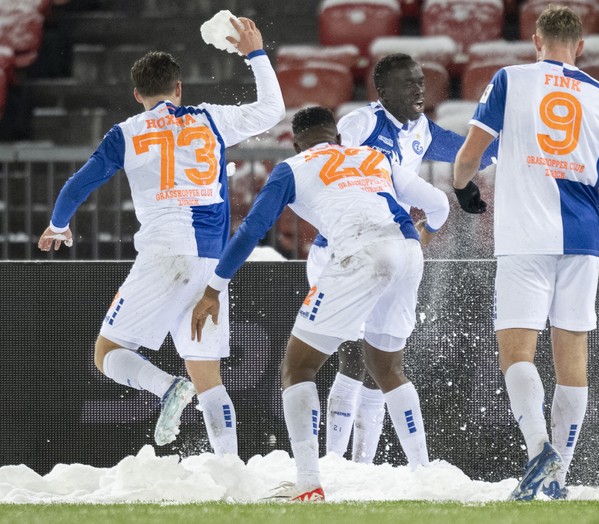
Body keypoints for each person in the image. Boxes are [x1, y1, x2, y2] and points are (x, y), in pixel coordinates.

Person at [37, 17, 285, 455]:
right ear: (179, 88)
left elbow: (77, 185)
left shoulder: (127, 133)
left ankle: (166, 386)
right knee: (207, 374)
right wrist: (255, 55)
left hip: (164, 253)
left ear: (137, 95)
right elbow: (272, 111)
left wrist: (59, 224)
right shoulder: (211, 119)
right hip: (210, 262)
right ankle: (229, 467)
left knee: (107, 352)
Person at [191, 106, 450, 502]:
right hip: (407, 251)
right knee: (387, 368)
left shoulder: (292, 168)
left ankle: (309, 483)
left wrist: (213, 288)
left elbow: (251, 230)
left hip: (359, 253)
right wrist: (427, 233)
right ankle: (425, 476)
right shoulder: (372, 156)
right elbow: (437, 204)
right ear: (337, 136)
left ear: (297, 142)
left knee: (298, 367)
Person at [452, 6, 599, 500]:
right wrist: (592, 234)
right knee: (573, 363)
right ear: (581, 47)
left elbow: (470, 153)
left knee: (516, 353)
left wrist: (462, 188)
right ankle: (558, 478)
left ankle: (538, 450)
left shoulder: (511, 79)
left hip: (525, 237)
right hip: (582, 239)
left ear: (537, 41)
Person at [318, 53, 499, 464]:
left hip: (396, 249)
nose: (420, 89)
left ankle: (360, 465)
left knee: (381, 360)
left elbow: (474, 155)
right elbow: (331, 173)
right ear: (382, 92)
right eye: (408, 83)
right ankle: (331, 462)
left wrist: (510, 134)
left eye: (421, 81)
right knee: (352, 358)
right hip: (354, 246)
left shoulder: (422, 129)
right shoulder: (360, 124)